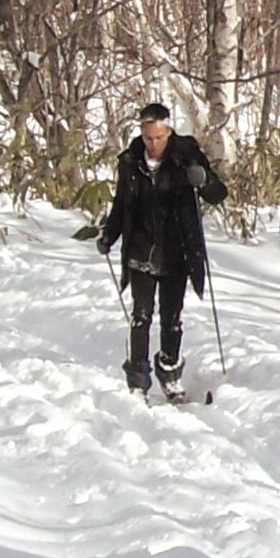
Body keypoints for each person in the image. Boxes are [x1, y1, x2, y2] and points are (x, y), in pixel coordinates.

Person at [96, 103, 228, 402]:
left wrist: (204, 180)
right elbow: (121, 203)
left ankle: (169, 372)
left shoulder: (187, 156)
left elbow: (218, 193)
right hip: (140, 246)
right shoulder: (130, 161)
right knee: (140, 317)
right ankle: (138, 380)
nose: (152, 144)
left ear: (169, 131)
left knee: (172, 318)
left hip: (177, 249)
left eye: (158, 137)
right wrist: (109, 235)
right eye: (147, 138)